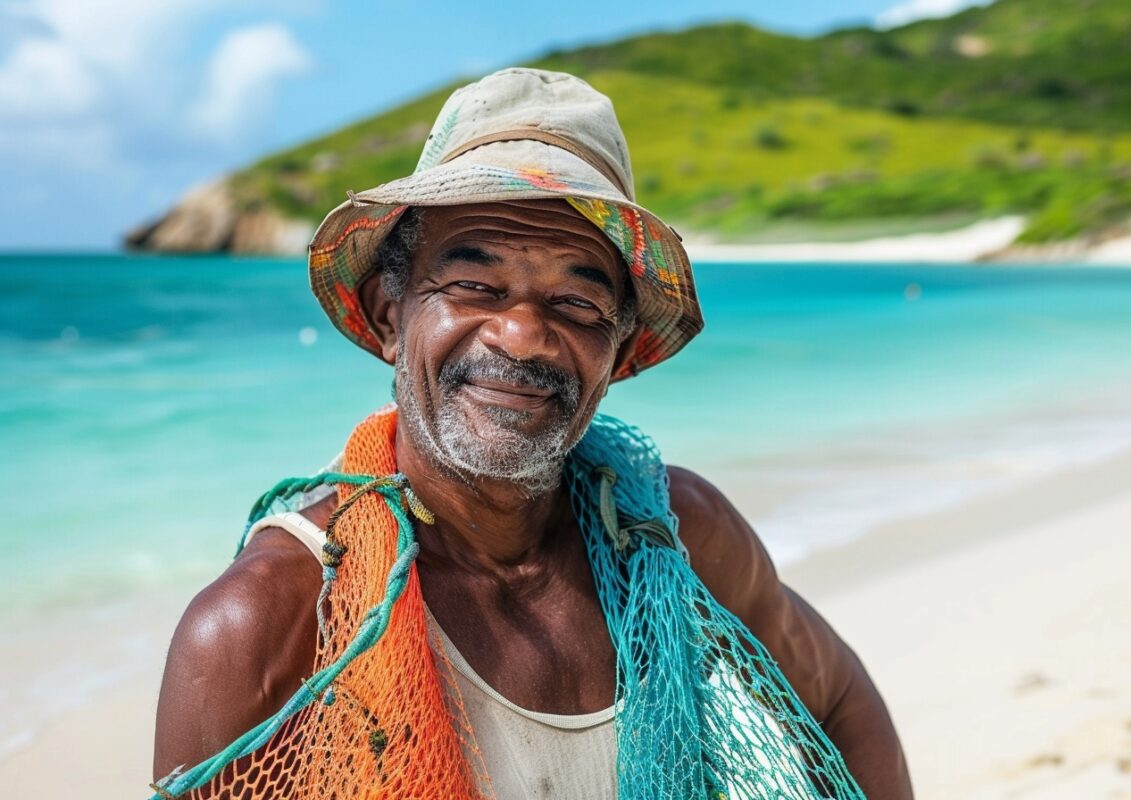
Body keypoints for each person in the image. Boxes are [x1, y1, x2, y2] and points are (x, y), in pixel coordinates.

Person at [153, 67, 912, 800]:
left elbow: (839, 700)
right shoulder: (269, 622)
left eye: (575, 303)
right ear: (391, 315)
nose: (521, 336)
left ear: (616, 352)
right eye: (474, 286)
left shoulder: (671, 537)